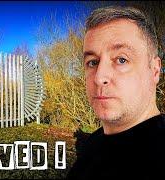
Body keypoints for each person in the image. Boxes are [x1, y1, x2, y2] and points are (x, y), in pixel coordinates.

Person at [67, 6, 165, 179]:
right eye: (92, 62)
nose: (99, 77)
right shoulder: (94, 142)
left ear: (155, 70)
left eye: (121, 59)